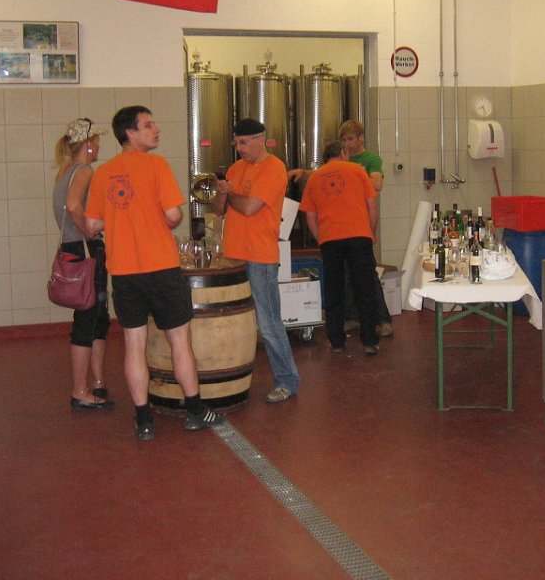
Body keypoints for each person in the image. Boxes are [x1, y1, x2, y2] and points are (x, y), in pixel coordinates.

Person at [85, 105, 223, 440]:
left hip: (124, 272)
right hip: (161, 267)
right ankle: (195, 411)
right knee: (180, 341)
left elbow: (91, 225)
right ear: (129, 132)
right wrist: (152, 218)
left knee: (134, 344)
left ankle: (144, 419)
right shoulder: (157, 165)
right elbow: (174, 216)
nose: (156, 129)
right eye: (148, 125)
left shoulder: (103, 173)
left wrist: (121, 220)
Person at [213, 118, 300, 404]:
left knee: (269, 323)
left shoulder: (274, 168)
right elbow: (219, 210)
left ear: (260, 140)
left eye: (243, 142)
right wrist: (221, 193)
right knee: (237, 320)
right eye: (236, 143)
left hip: (260, 257)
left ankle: (287, 380)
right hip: (234, 256)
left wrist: (230, 194)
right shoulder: (236, 169)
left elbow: (250, 207)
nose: (239, 148)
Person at [52, 118, 114, 410]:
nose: (99, 147)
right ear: (87, 145)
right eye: (96, 142)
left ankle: (98, 382)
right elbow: (74, 206)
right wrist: (89, 231)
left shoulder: (65, 170)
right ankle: (80, 391)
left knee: (98, 314)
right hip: (85, 248)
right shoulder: (84, 171)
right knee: (89, 317)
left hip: (73, 247)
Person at [299, 141, 381, 355]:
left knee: (334, 290)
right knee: (365, 288)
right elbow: (372, 205)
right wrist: (371, 232)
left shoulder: (314, 178)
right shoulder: (357, 170)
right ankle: (369, 341)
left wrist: (322, 239)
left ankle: (336, 341)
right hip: (359, 236)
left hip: (330, 239)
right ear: (343, 153)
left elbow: (310, 217)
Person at [337, 119, 394, 338]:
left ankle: (383, 319)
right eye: (344, 140)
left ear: (360, 137)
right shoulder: (342, 159)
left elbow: (377, 183)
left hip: (361, 224)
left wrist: (352, 176)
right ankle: (353, 317)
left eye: (350, 139)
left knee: (368, 273)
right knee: (346, 274)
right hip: (343, 223)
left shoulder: (371, 159)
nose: (347, 143)